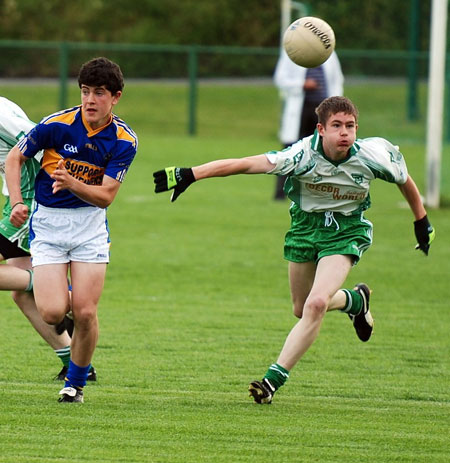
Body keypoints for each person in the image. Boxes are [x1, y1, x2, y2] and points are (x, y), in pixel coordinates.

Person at [153, 96, 435, 404]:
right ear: (321, 129)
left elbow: (404, 180)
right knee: (302, 308)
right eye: (336, 126)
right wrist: (191, 174)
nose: (344, 133)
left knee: (315, 305)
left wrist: (421, 221)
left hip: (346, 231)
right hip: (304, 229)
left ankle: (271, 381)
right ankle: (355, 300)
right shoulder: (302, 155)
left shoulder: (372, 155)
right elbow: (246, 164)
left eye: (350, 126)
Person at [6, 57, 138, 403]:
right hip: (47, 225)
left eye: (98, 93)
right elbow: (15, 158)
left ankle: (75, 383)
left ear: (116, 97)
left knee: (85, 311)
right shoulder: (57, 125)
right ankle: (61, 289)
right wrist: (18, 201)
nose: (90, 100)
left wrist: (72, 182)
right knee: (51, 311)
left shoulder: (124, 140)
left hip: (89, 230)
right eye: (85, 91)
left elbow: (106, 196)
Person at [0, 96, 97, 381]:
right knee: (22, 295)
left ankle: (55, 291)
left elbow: (37, 142)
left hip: (28, 205)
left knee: (29, 288)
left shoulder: (1, 114)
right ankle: (76, 365)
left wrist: (49, 193)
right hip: (14, 205)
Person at [273, 50, 344, 199]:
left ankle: (319, 192)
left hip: (323, 110)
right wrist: (302, 84)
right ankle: (281, 193)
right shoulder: (292, 51)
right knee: (291, 150)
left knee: (322, 151)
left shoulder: (329, 52)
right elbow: (280, 79)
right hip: (301, 107)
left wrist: (336, 106)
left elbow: (337, 80)